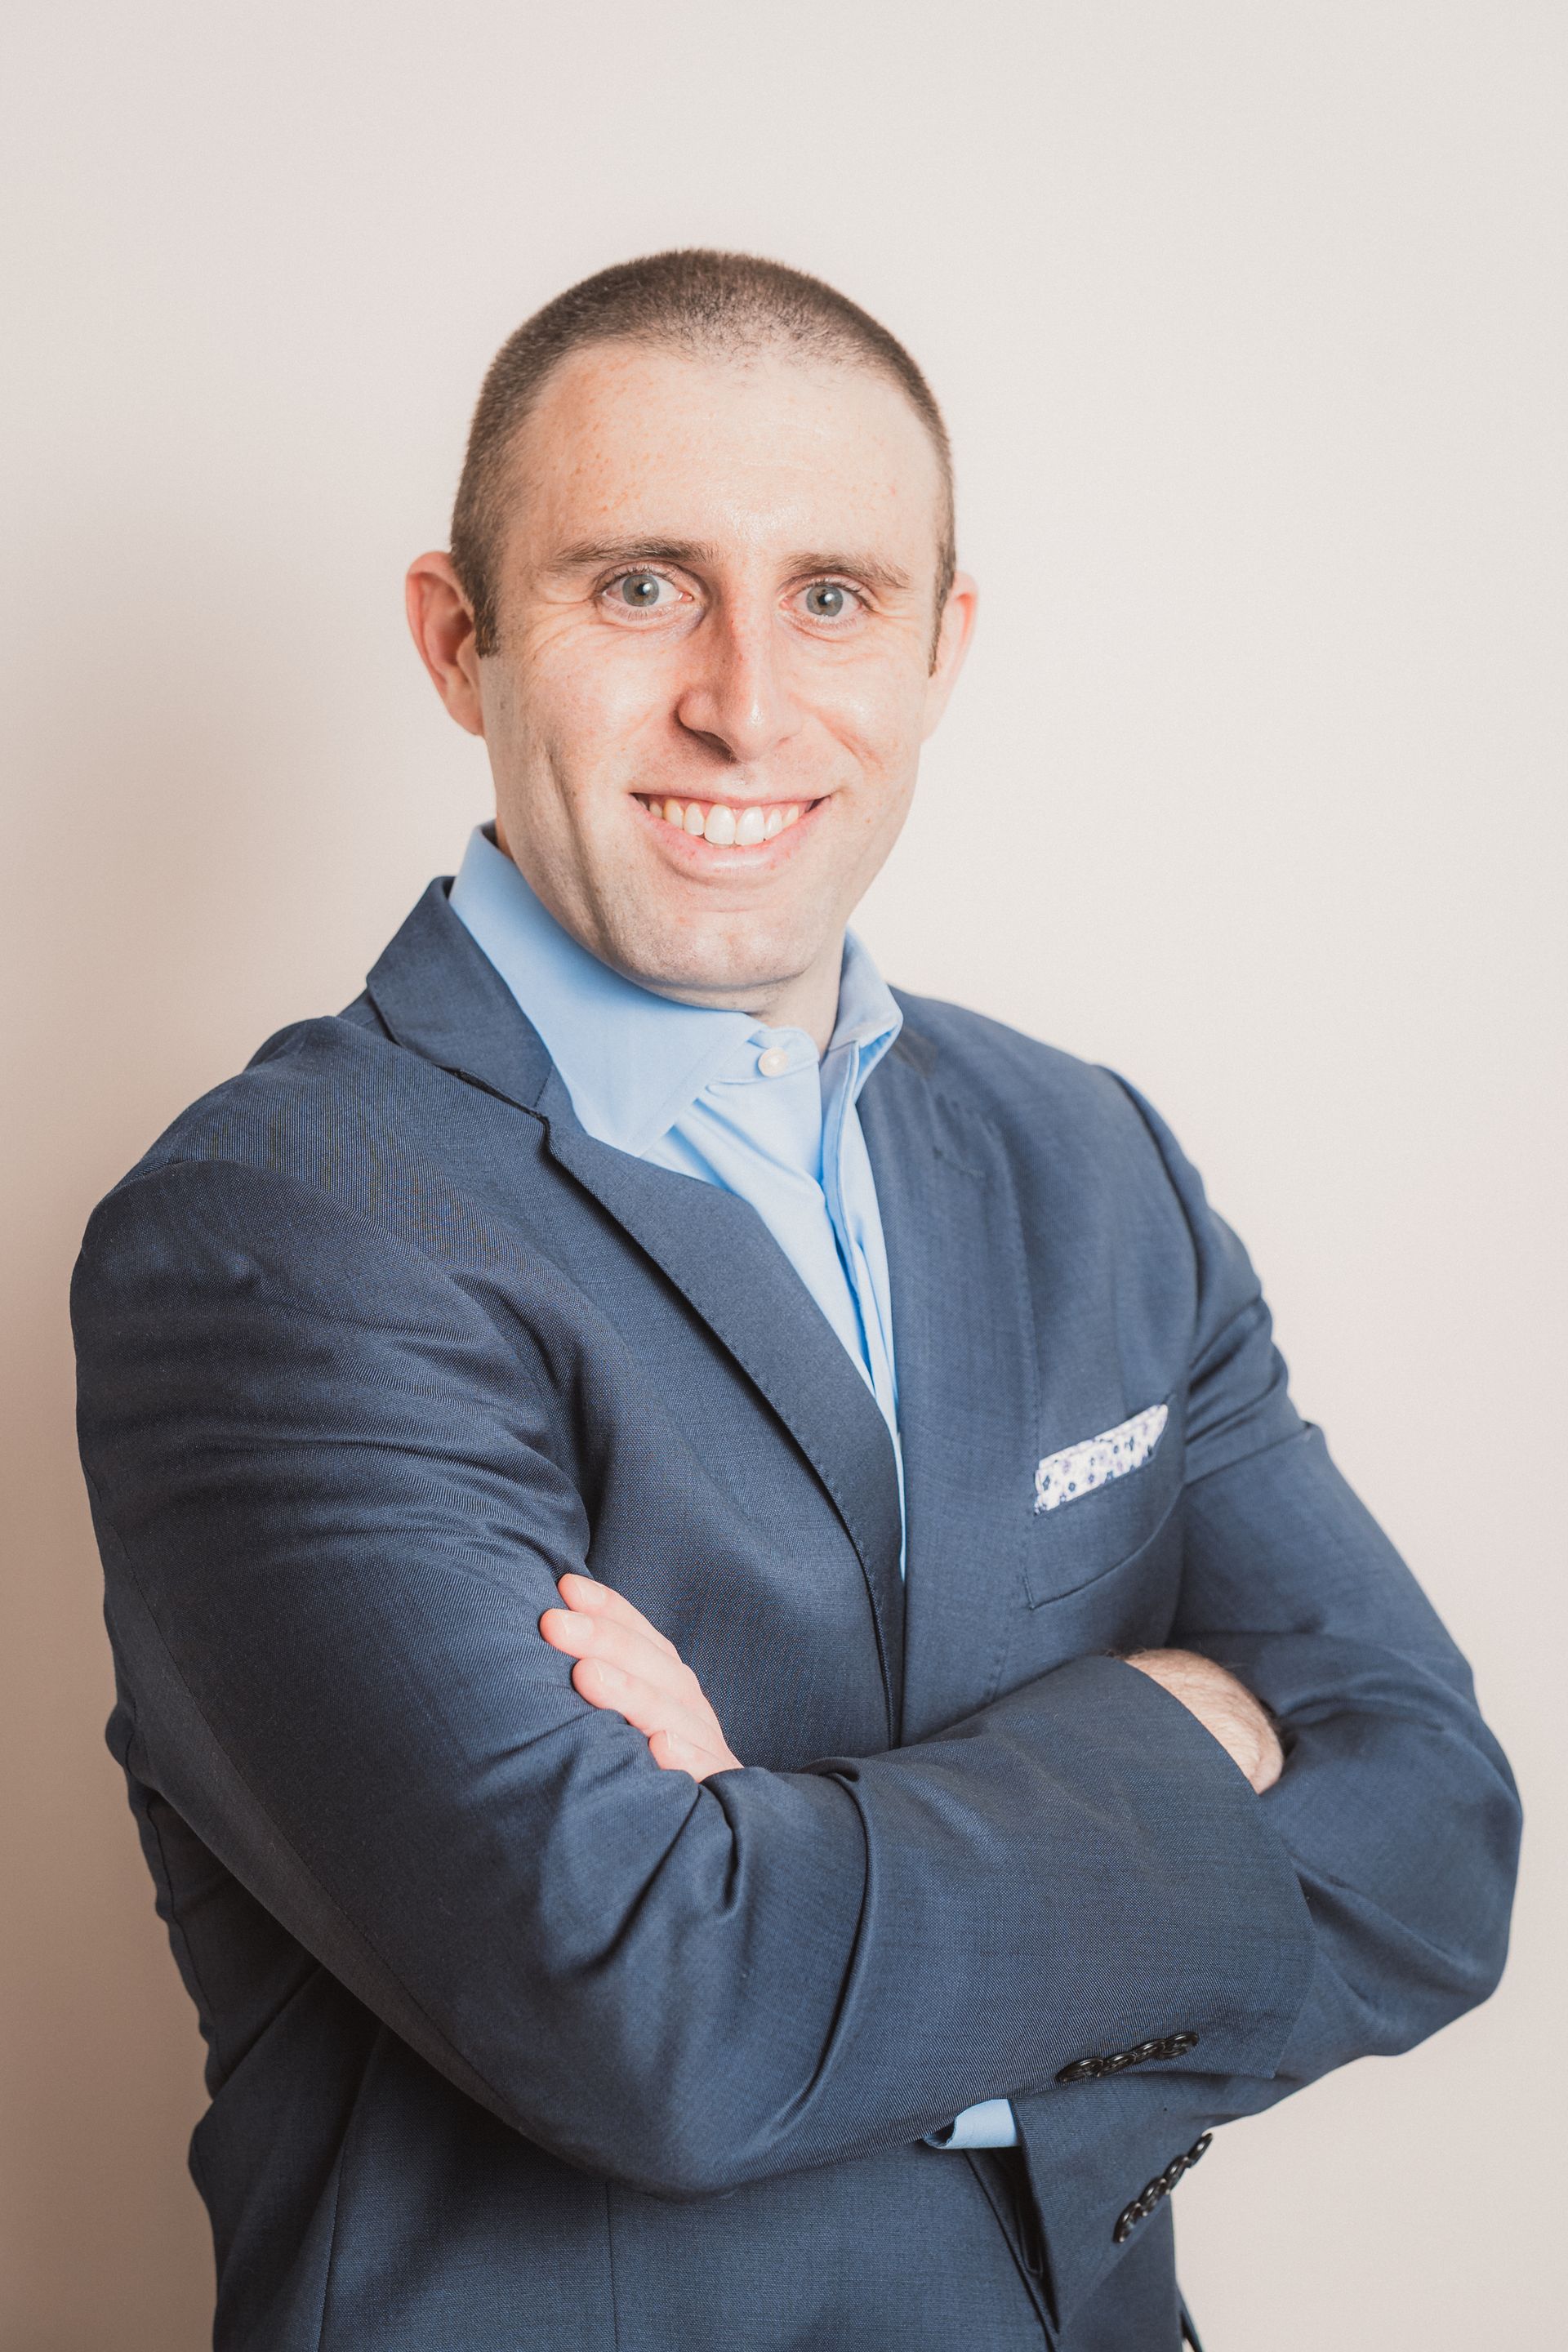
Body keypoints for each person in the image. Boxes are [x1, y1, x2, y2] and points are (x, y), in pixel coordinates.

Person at [72, 250, 1519, 2352]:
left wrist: (780, 1853)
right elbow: (663, 2015)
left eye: (833, 595)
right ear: (457, 639)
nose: (747, 699)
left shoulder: (1084, 1158)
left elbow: (1438, 1840)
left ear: (941, 650)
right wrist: (1177, 1735)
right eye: (641, 585)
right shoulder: (278, 1234)